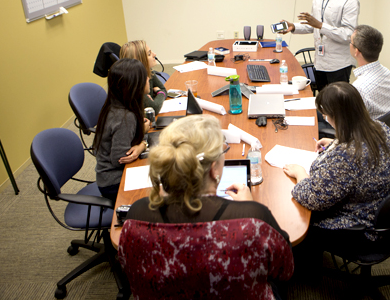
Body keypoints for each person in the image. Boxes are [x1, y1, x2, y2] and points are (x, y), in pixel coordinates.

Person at [125, 115, 293, 298]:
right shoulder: (253, 219)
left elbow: (129, 269)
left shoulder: (137, 214)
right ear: (214, 169)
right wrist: (248, 207)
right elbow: (285, 269)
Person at [283, 82, 390, 261]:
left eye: (325, 115)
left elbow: (313, 199)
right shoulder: (381, 127)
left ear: (336, 117)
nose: (325, 117)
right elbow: (361, 154)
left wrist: (300, 173)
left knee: (292, 220)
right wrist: (334, 143)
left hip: (360, 226)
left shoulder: (346, 156)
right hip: (383, 206)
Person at [281, 0, 359, 89]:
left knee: (336, 106)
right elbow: (313, 26)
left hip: (338, 65)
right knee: (322, 101)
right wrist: (293, 27)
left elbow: (348, 35)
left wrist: (321, 25)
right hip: (319, 62)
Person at [93, 58, 151, 201]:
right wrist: (143, 145)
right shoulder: (126, 117)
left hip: (107, 176)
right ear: (134, 85)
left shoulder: (114, 105)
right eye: (145, 77)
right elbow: (120, 158)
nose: (148, 79)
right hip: (113, 182)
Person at [350, 24, 390, 120]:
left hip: (366, 131)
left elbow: (348, 122)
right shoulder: (386, 72)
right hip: (382, 127)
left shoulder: (359, 88)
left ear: (357, 51)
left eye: (350, 42)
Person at [120, 40, 167, 114]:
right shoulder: (133, 83)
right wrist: (159, 93)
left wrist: (153, 99)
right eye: (149, 54)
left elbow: (163, 89)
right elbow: (154, 108)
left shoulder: (148, 71)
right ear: (139, 60)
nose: (154, 54)